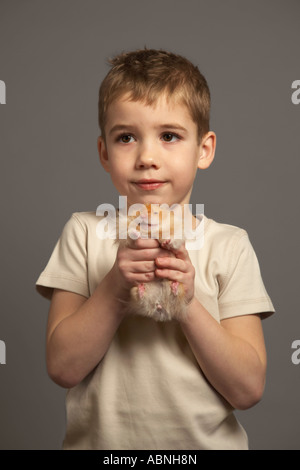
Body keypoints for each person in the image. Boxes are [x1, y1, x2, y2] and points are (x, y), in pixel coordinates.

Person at [36, 48, 275, 450]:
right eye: (126, 137)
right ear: (104, 153)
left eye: (169, 136)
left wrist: (187, 304)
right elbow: (62, 367)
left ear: (204, 149)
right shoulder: (84, 233)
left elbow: (248, 389)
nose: (147, 157)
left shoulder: (229, 246)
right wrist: (113, 286)